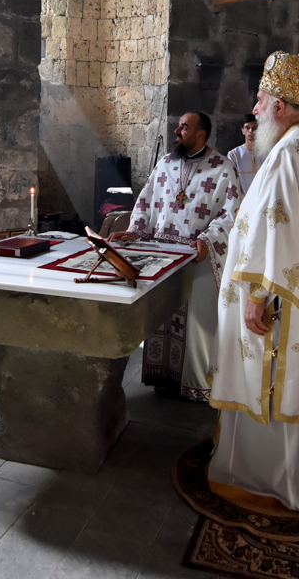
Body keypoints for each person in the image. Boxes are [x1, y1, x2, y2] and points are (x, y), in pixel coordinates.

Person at [209, 50, 299, 515]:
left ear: (279, 106)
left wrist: (257, 297)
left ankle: (266, 481)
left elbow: (280, 229)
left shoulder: (290, 153)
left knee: (276, 388)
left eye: (260, 98)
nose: (253, 109)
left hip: (279, 307)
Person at [114, 112, 240, 400]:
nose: (176, 132)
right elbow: (146, 200)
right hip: (161, 256)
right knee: (161, 319)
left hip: (196, 259)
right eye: (178, 126)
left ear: (201, 134)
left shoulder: (222, 168)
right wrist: (135, 230)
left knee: (195, 323)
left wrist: (208, 240)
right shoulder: (166, 164)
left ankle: (196, 386)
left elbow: (231, 215)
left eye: (184, 127)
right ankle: (164, 378)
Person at [227, 114, 259, 195]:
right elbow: (231, 181)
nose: (251, 130)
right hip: (242, 202)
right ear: (242, 131)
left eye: (254, 127)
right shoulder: (234, 155)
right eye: (247, 128)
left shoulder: (267, 153)